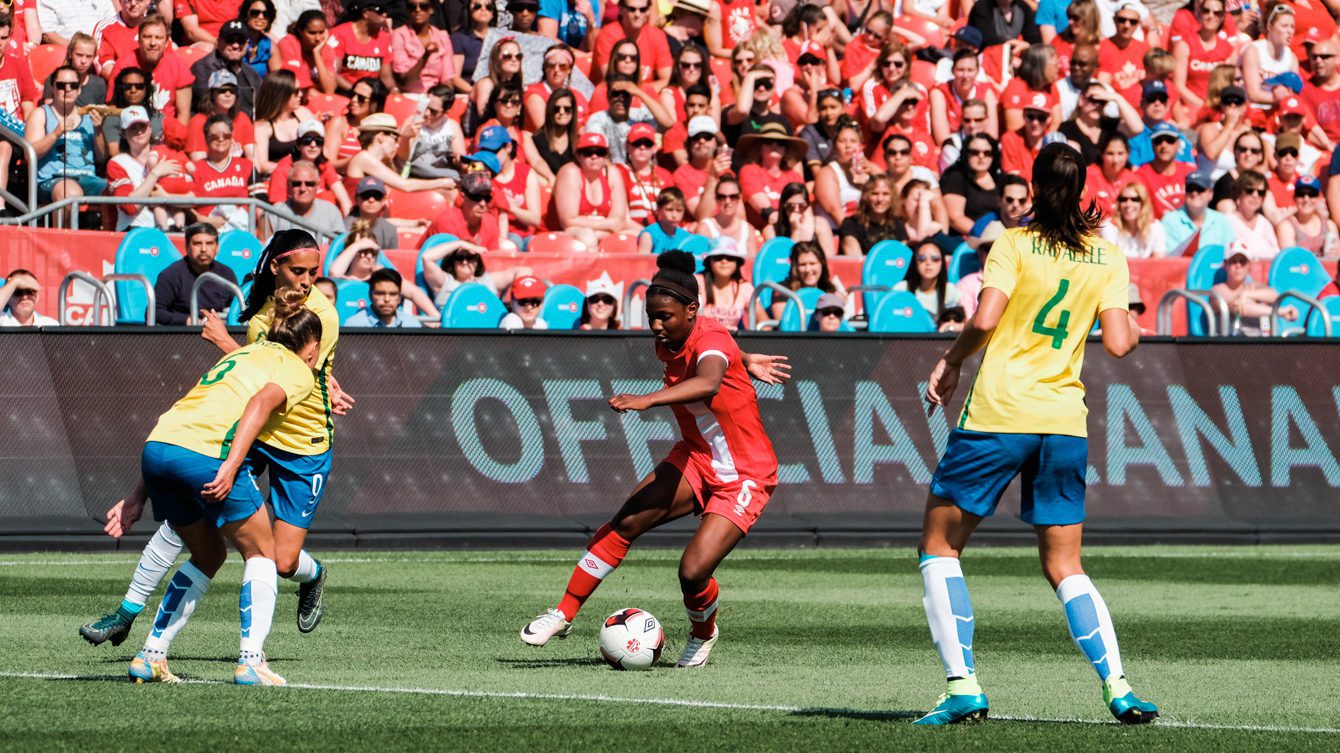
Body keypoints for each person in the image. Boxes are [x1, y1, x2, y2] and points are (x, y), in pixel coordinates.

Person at [914, 142, 1157, 726]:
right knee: (1065, 565)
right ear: (1082, 190)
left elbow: (987, 317)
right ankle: (1118, 686)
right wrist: (1137, 325)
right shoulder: (1107, 255)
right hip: (1063, 424)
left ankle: (964, 686)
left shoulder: (1014, 243)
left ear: (1034, 185)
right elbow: (1121, 344)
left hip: (999, 414)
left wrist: (949, 362)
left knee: (939, 547)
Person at [82, 230, 348, 653]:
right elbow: (261, 372)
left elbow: (284, 374)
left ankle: (312, 575)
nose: (307, 280)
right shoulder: (264, 308)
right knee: (187, 518)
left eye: (314, 272)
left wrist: (227, 342)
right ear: (275, 267)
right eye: (298, 271)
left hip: (303, 439)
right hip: (255, 429)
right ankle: (129, 612)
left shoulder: (323, 315)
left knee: (281, 560)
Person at [520, 250, 787, 669]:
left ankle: (703, 633)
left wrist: (648, 399)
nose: (657, 326)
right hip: (697, 457)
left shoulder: (711, 341)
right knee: (626, 521)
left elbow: (709, 378)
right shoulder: (676, 338)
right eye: (651, 317)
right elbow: (719, 352)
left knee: (693, 571)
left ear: (692, 310)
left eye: (665, 316)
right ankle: (563, 613)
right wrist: (746, 358)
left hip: (745, 474)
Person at [120, 285, 322, 686]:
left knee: (208, 553)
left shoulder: (246, 353)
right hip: (206, 456)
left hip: (158, 447)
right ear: (312, 347)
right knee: (262, 552)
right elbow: (261, 404)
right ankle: (251, 662)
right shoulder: (299, 370)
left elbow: (191, 409)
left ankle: (150, 656)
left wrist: (135, 494)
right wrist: (231, 465)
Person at [25, 65, 106, 221]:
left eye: (73, 85)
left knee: (120, 191)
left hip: (88, 178)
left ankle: (114, 243)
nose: (67, 89)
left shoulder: (90, 116)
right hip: (53, 179)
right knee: (70, 193)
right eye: (61, 85)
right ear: (53, 88)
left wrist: (98, 131)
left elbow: (102, 157)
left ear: (79, 89)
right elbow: (30, 156)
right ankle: (61, 244)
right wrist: (56, 133)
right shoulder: (41, 114)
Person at [106, 105, 193, 232]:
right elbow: (129, 207)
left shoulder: (170, 155)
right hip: (136, 231)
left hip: (174, 230)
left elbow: (194, 198)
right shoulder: (117, 163)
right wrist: (155, 174)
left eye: (142, 126)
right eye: (132, 128)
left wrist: (166, 197)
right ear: (123, 133)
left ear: (150, 128)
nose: (139, 131)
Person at [553, 132, 635, 247]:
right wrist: (607, 225)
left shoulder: (612, 173)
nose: (594, 156)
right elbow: (568, 221)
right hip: (571, 233)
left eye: (600, 152)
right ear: (578, 156)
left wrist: (601, 232)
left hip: (603, 232)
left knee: (644, 236)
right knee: (587, 236)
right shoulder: (570, 172)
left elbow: (618, 221)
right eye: (588, 152)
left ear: (606, 156)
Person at [153, 223, 239, 326]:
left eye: (209, 243)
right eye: (197, 243)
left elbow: (238, 309)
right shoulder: (171, 274)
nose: (203, 249)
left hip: (218, 332)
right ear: (187, 247)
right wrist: (189, 321)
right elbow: (154, 312)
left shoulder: (226, 273)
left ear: (217, 248)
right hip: (182, 335)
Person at [268, 121, 353, 215]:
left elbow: (344, 200)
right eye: (307, 141)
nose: (313, 145)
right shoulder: (283, 168)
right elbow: (278, 207)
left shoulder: (324, 164)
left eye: (318, 141)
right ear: (298, 145)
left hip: (324, 221)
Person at [738, 121, 807, 229]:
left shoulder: (795, 177)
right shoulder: (749, 171)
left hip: (791, 228)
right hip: (759, 232)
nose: (774, 145)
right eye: (768, 141)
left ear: (786, 149)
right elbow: (766, 211)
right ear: (759, 147)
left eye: (780, 142)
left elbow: (801, 208)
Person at [1211, 250, 1296, 336]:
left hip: (1256, 342)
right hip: (1229, 344)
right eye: (1233, 261)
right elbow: (1239, 307)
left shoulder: (1253, 286)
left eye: (1242, 262)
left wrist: (1247, 294)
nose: (1238, 265)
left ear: (1249, 266)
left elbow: (1274, 295)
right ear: (1226, 265)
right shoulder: (1219, 289)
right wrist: (1279, 312)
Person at [421, 243, 531, 308]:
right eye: (460, 258)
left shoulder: (486, 280)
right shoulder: (445, 281)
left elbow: (525, 271)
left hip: (487, 331)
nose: (465, 262)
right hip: (453, 333)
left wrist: (516, 304)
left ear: (477, 261)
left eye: (470, 258)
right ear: (452, 262)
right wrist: (460, 243)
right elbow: (427, 257)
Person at [190, 20, 263, 117]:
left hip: (248, 127)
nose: (235, 46)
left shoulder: (252, 74)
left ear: (246, 44)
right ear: (218, 42)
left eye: (240, 41)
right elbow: (208, 107)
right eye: (230, 40)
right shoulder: (203, 68)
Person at [592, 0, 672, 87]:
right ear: (621, 9)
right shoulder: (608, 34)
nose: (637, 14)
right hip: (610, 94)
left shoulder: (657, 36)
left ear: (648, 11)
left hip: (644, 96)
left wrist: (641, 94)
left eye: (643, 9)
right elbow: (611, 80)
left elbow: (666, 79)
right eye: (632, 9)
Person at [254, 70, 318, 175]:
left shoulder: (304, 115)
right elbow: (262, 165)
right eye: (296, 91)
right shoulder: (262, 126)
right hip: (277, 179)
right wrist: (296, 171)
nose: (301, 94)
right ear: (282, 95)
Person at [765, 240, 846, 322]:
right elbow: (784, 324)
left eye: (812, 263)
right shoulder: (783, 290)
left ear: (822, 264)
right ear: (795, 267)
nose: (808, 269)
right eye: (802, 265)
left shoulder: (829, 290)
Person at [186, 70, 256, 162]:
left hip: (238, 173)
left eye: (232, 91)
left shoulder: (242, 118)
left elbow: (252, 157)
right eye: (222, 90)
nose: (228, 94)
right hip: (210, 173)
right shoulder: (198, 122)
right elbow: (198, 162)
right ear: (212, 94)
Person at [329, 0, 396, 95]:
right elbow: (334, 73)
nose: (385, 14)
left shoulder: (384, 37)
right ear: (365, 13)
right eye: (380, 10)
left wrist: (395, 90)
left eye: (386, 11)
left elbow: (386, 76)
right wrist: (356, 91)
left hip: (371, 95)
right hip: (345, 92)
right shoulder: (339, 34)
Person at [1160, 170, 1234, 255]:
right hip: (1183, 268)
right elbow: (1170, 257)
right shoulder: (1170, 220)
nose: (1194, 193)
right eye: (1190, 189)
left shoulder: (1222, 221)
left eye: (1200, 189)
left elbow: (1231, 253)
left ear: (1210, 194)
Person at [266, 160, 345, 239]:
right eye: (296, 184)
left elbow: (339, 246)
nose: (303, 189)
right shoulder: (274, 214)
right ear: (288, 185)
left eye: (309, 184)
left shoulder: (331, 211)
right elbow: (263, 247)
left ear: (317, 186)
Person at [942, 133, 1001, 235]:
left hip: (998, 237)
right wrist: (985, 236)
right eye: (974, 152)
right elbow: (955, 218)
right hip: (966, 239)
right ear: (966, 153)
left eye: (987, 153)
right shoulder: (956, 177)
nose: (981, 156)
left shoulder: (1000, 178)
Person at [392, 0, 455, 94]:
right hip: (409, 94)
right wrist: (425, 57)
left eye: (424, 6)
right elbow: (404, 80)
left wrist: (446, 97)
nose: (417, 10)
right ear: (408, 10)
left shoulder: (442, 36)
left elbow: (447, 77)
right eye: (412, 6)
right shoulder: (399, 35)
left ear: (431, 10)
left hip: (435, 95)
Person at [1134, 122, 1195, 218]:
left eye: (1169, 140)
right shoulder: (1140, 176)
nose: (1164, 145)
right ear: (1152, 145)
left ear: (1178, 144)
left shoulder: (1191, 172)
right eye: (1158, 141)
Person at [103, 67, 164, 158]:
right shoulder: (113, 118)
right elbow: (114, 155)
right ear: (120, 89)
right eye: (127, 87)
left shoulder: (158, 117)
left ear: (146, 89)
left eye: (139, 86)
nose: (133, 90)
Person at [273, 10, 338, 94]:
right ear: (300, 31)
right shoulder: (288, 44)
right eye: (312, 33)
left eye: (321, 32)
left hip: (318, 99)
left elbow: (329, 90)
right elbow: (299, 87)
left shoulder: (327, 49)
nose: (318, 38)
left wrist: (317, 54)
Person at [695, 236, 753, 331]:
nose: (724, 261)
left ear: (737, 262)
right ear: (710, 261)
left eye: (730, 258)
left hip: (734, 341)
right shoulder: (697, 282)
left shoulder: (745, 287)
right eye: (718, 257)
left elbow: (764, 322)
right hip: (701, 340)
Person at [763, 182, 836, 257]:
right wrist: (796, 231)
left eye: (801, 206)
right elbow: (779, 260)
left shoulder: (820, 224)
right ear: (783, 208)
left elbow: (829, 258)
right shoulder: (771, 230)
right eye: (790, 207)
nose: (796, 210)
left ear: (808, 206)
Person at [894, 240, 961, 318]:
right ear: (915, 262)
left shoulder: (951, 291)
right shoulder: (901, 289)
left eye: (935, 259)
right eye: (922, 259)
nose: (928, 263)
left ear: (942, 263)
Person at [1101, 181, 1166, 258]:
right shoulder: (1110, 227)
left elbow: (1159, 261)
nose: (1128, 204)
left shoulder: (1155, 227)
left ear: (1143, 203)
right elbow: (1110, 260)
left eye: (1135, 199)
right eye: (1123, 199)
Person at [1226, 170, 1281, 260]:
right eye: (1250, 191)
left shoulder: (1265, 223)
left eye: (1260, 192)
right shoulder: (1227, 221)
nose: (1255, 195)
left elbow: (1276, 254)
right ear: (1239, 193)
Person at [839, 174, 898, 257]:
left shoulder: (897, 224)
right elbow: (854, 258)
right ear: (866, 196)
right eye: (875, 193)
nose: (880, 199)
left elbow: (902, 257)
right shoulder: (851, 224)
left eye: (885, 194)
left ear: (892, 197)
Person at [1278, 175, 1338, 257]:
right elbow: (1290, 260)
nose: (1306, 199)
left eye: (1311, 194)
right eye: (1301, 194)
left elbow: (1337, 257)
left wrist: (1335, 254)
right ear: (1294, 197)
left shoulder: (1330, 225)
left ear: (1318, 198)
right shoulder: (1286, 226)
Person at [345, 268, 423, 328]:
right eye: (380, 293)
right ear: (370, 296)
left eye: (393, 294)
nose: (387, 299)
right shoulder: (354, 325)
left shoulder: (411, 324)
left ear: (399, 298)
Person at [955, 220, 1002, 319]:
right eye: (989, 248)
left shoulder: (1019, 281)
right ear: (980, 253)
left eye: (1000, 248)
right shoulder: (966, 284)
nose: (994, 253)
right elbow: (967, 322)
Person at [638, 187, 694, 254]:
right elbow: (642, 263)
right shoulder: (648, 235)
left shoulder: (685, 236)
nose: (674, 215)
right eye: (669, 210)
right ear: (658, 210)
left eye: (679, 210)